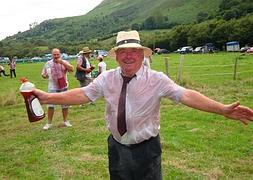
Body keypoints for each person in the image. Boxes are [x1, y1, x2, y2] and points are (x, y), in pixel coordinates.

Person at [33, 31, 253, 179]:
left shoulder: (156, 79)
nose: (128, 56)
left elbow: (185, 95)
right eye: (123, 51)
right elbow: (83, 94)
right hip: (116, 148)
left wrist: (222, 109)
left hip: (147, 151)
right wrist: (47, 97)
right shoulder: (107, 78)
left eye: (133, 51)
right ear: (117, 55)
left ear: (141, 54)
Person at [41, 48, 74, 130]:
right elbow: (43, 74)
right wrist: (44, 76)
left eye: (57, 54)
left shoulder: (64, 62)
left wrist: (62, 62)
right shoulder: (48, 63)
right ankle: (49, 123)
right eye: (54, 54)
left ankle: (66, 121)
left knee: (65, 104)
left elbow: (72, 69)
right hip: (52, 87)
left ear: (60, 54)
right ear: (52, 55)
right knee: (50, 105)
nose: (56, 56)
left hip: (63, 86)